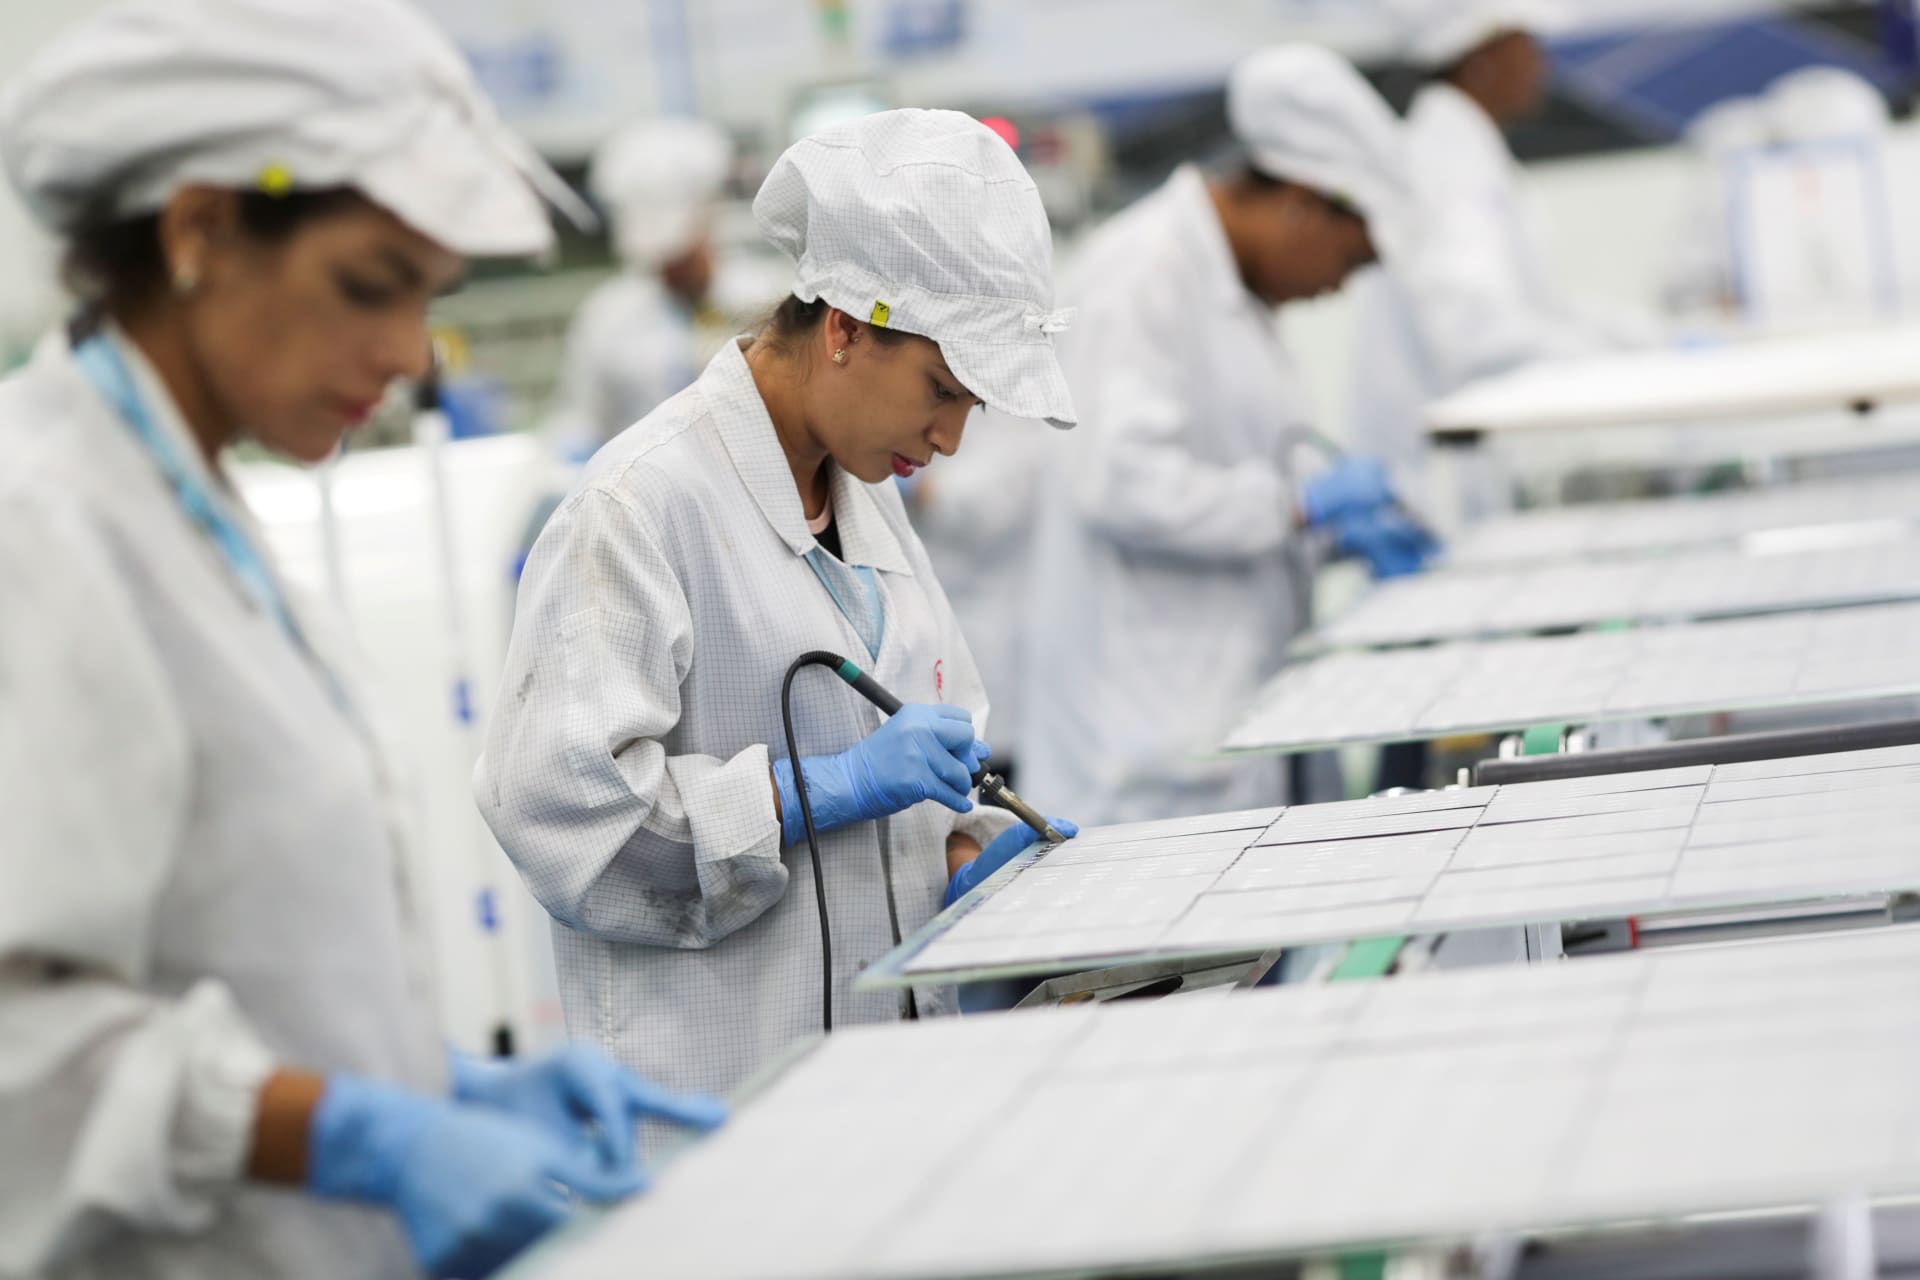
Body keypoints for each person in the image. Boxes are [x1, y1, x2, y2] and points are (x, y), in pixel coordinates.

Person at [0, 2, 723, 1277]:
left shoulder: (187, 499)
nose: (403, 354)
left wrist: (421, 1075)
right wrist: (363, 1130)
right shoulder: (42, 523)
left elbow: (227, 944)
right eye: (366, 288)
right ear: (201, 228)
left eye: (428, 299)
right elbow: (25, 1038)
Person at [475, 110, 1078, 1107]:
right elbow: (559, 811)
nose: (953, 437)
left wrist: (967, 845)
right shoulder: (639, 505)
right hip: (718, 1100)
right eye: (941, 387)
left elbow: (938, 738)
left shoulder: (869, 500)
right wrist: (811, 791)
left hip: (886, 1095)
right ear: (844, 326)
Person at [1018, 45, 1436, 829]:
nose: (1339, 285)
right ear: (1303, 205)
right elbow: (1121, 482)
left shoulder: (1237, 297)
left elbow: (1244, 473)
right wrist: (1298, 508)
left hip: (1216, 729)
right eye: (1349, 259)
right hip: (1141, 759)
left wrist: (1334, 530)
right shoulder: (1142, 274)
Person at [1350, 0, 1650, 500]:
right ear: (1479, 59)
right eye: (1525, 44)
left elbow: (1539, 306)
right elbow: (1478, 333)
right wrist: (1605, 362)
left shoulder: (1467, 152)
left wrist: (1639, 339)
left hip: (1467, 462)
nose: (1540, 63)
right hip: (1442, 476)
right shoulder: (1445, 166)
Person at [546, 117, 735, 459]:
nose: (670, 269)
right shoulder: (606, 319)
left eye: (679, 254)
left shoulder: (764, 299)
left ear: (707, 219)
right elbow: (579, 417)